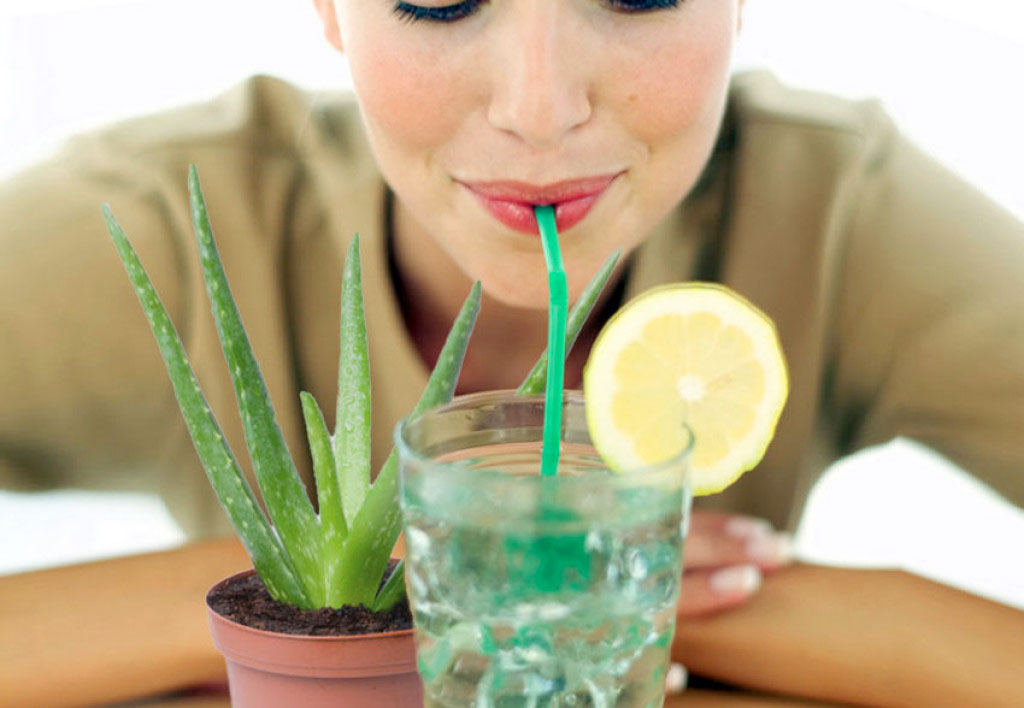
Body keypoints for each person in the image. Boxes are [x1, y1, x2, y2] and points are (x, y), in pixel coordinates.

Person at [1, 1, 1023, 706]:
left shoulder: (839, 212)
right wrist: (332, 599)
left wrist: (639, 602)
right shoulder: (171, 227)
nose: (540, 110)